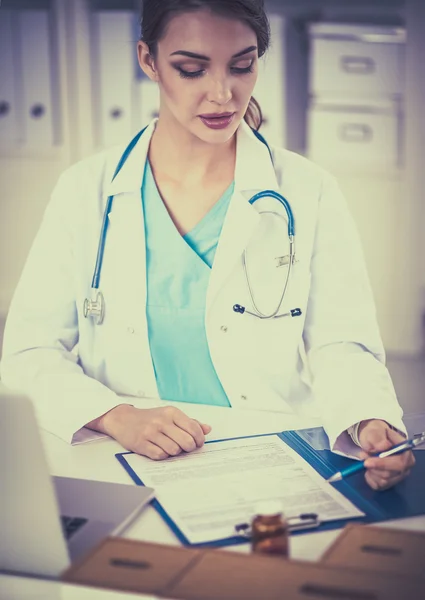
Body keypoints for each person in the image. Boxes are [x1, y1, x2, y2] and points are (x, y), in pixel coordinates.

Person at [0, 0, 414, 490]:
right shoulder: (86, 190)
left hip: (269, 460)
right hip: (122, 460)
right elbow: (29, 352)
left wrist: (367, 419)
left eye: (242, 66)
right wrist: (114, 415)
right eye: (191, 69)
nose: (223, 94)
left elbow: (339, 342)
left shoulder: (308, 190)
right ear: (148, 60)